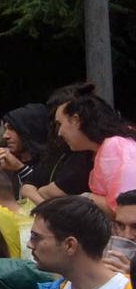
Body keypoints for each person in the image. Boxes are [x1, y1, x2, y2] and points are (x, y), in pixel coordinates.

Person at [56, 86, 136, 214]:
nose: (59, 133)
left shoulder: (114, 146)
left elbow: (125, 209)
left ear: (76, 120)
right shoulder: (108, 146)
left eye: (60, 124)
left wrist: (87, 198)